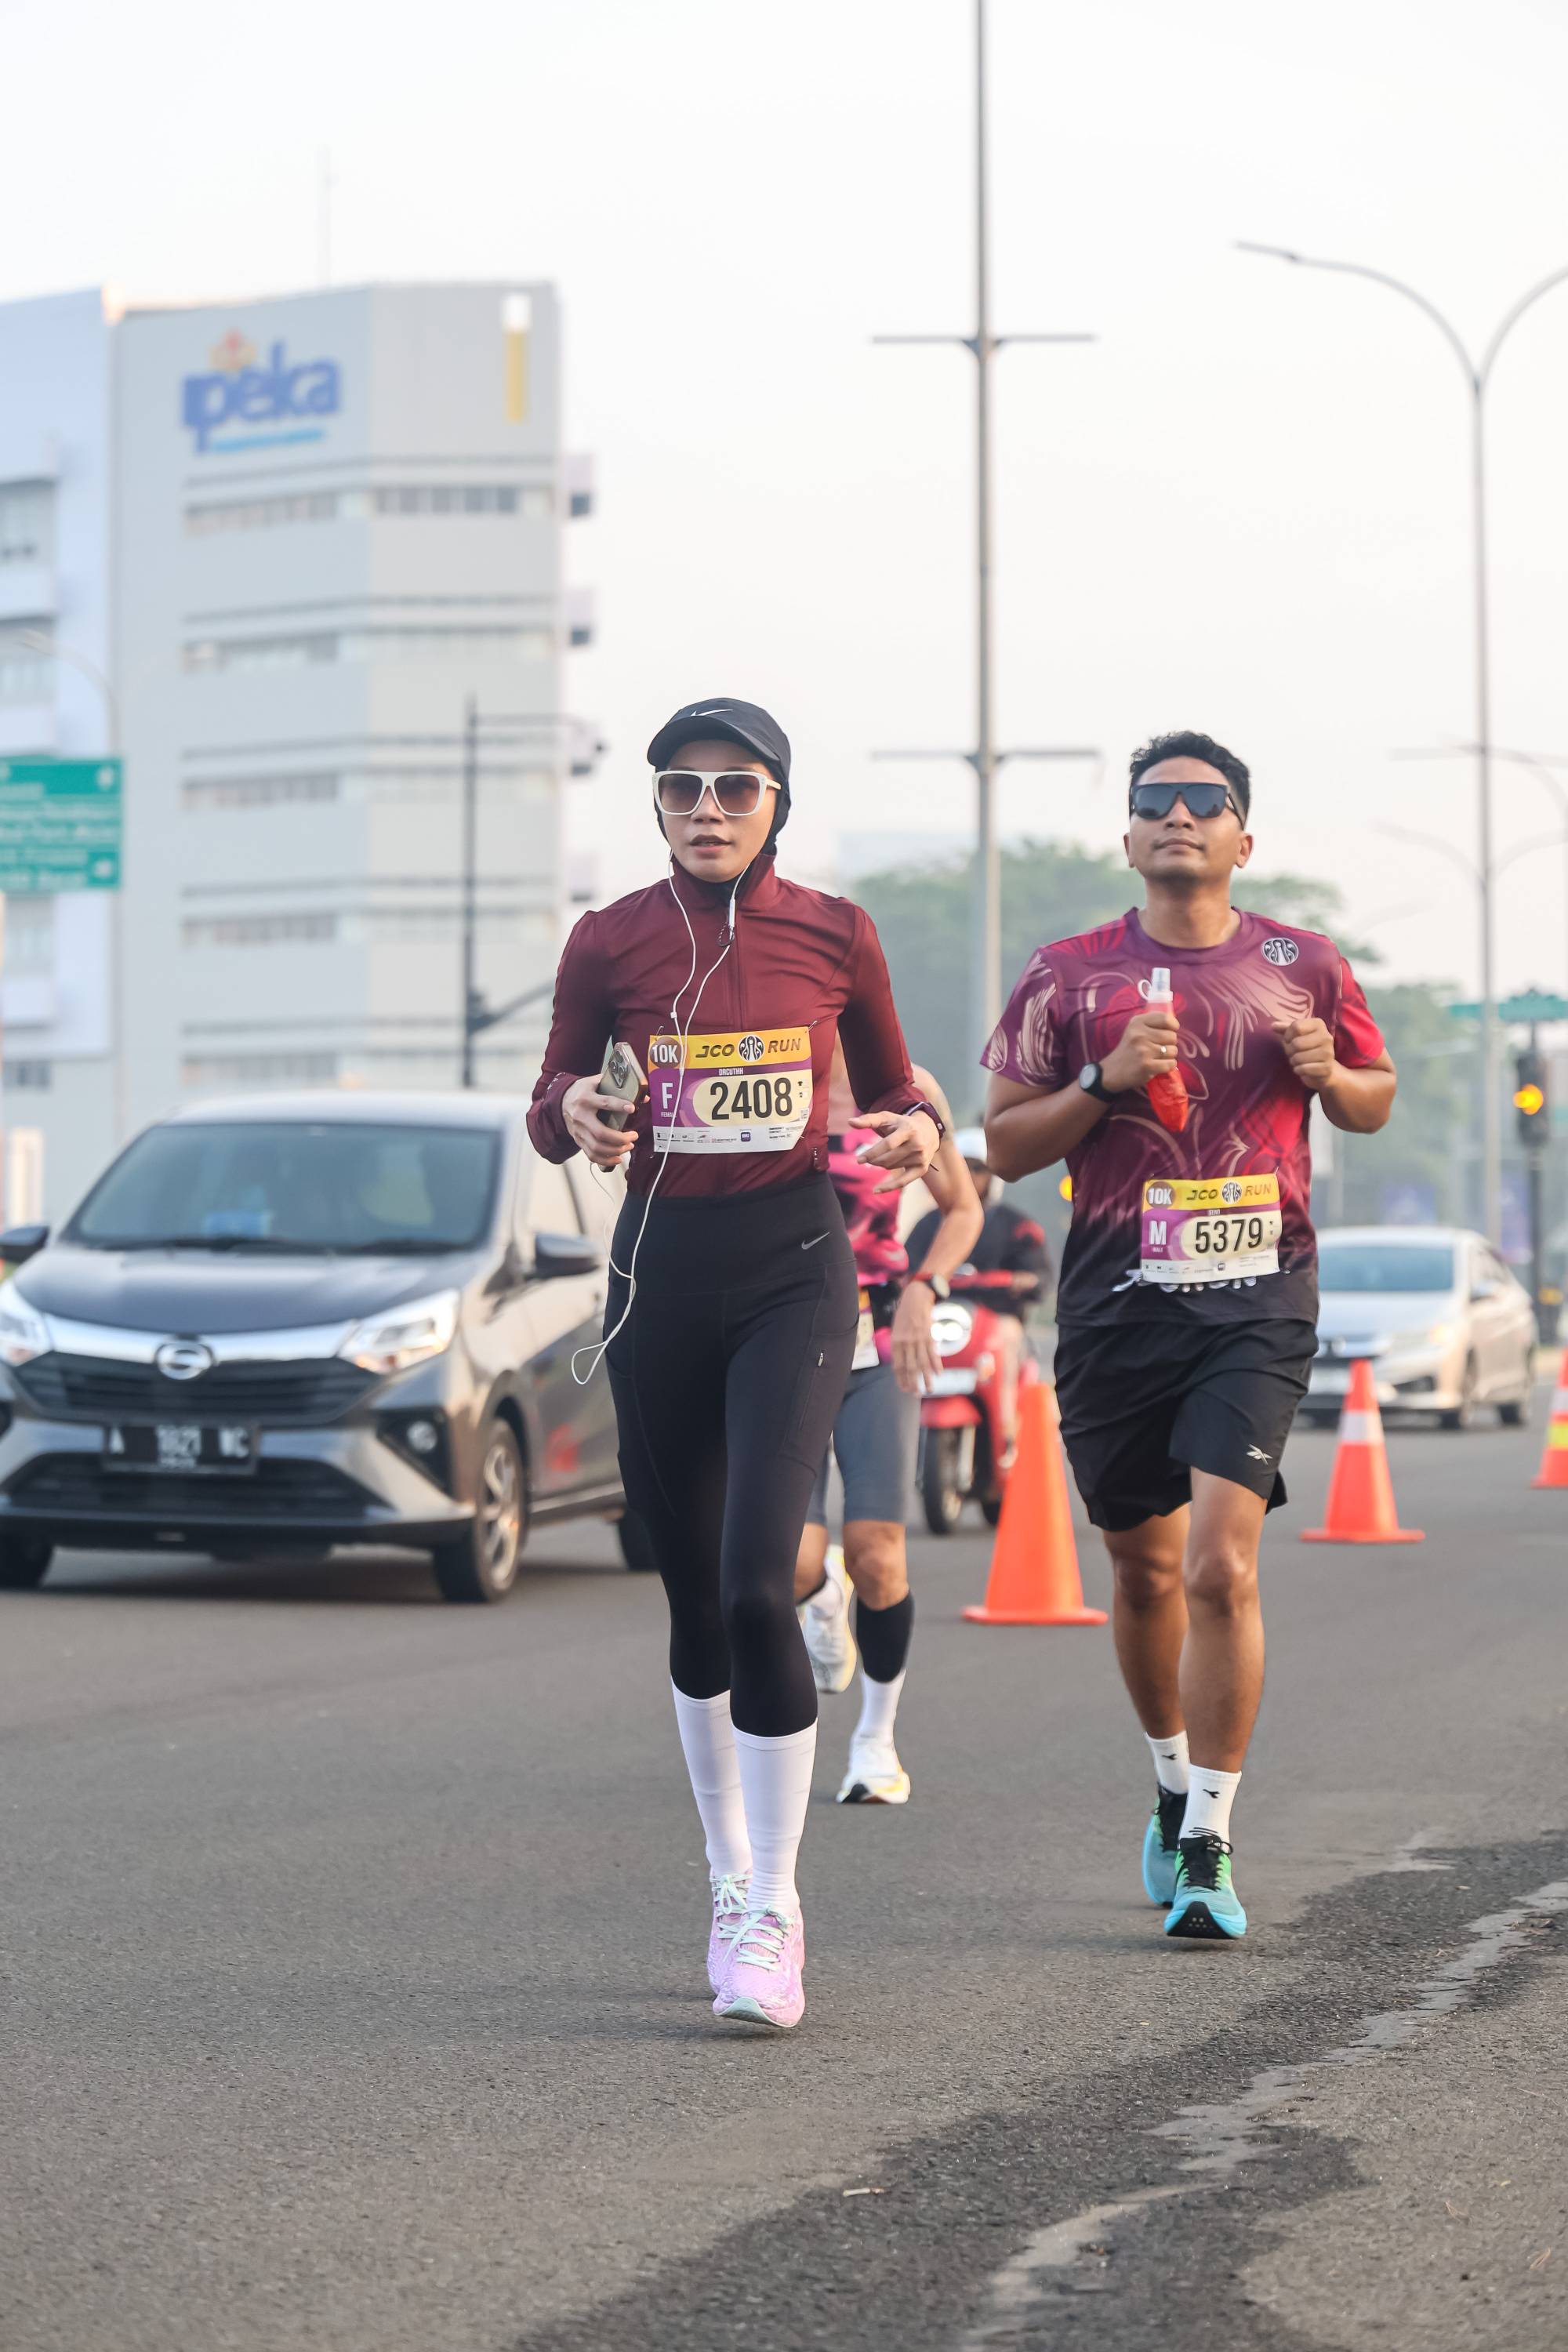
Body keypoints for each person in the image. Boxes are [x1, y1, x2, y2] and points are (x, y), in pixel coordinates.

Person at [528, 699, 942, 2030]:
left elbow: (899, 1092)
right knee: (698, 1599)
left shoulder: (838, 932)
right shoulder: (609, 938)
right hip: (658, 1275)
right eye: (681, 788)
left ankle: (776, 1907)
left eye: (735, 787)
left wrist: (916, 1136)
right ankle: (725, 1876)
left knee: (763, 1581)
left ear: (777, 803)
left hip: (793, 1273)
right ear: (656, 805)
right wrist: (578, 1107)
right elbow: (548, 1106)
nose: (707, 809)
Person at [982, 731, 1395, 1940]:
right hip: (1117, 1304)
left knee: (1221, 1564)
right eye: (1155, 801)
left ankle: (1210, 1838)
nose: (1179, 816)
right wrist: (1104, 1079)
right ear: (1127, 838)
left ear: (1241, 839)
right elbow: (1004, 1144)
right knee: (1144, 1569)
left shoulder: (1303, 965)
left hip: (1257, 1302)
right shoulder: (1068, 975)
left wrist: (1329, 1073)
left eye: (1204, 802)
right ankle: (1170, 1784)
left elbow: (1373, 1101)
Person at [793, 1049, 982, 1804]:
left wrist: (925, 1288)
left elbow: (963, 1209)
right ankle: (820, 1594)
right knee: (792, 1566)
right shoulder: (758, 1071)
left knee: (878, 1556)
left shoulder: (906, 1088)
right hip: (778, 1350)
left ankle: (876, 1742)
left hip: (875, 1343)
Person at [906, 1126, 1052, 1459]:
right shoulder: (929, 1224)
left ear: (993, 1176)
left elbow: (1040, 1275)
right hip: (940, 1316)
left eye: (979, 1169)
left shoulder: (1018, 1225)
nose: (971, 1176)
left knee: (1005, 1339)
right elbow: (905, 1264)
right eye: (964, 1167)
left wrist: (1023, 1281)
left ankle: (1007, 1433)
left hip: (995, 1318)